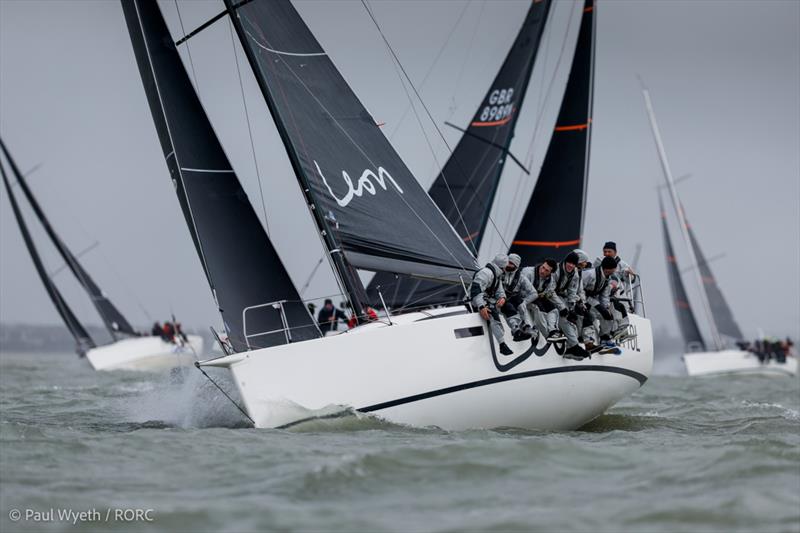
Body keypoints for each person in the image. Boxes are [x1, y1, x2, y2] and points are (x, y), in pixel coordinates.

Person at [550, 251, 590, 360]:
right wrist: (562, 307)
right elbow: (550, 291)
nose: (571, 265)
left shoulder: (575, 274)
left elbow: (572, 292)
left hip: (560, 296)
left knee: (572, 318)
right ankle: (574, 346)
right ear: (565, 261)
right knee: (563, 317)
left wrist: (571, 309)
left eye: (573, 264)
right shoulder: (556, 270)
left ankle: (570, 348)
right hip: (548, 295)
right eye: (569, 262)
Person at [470, 253, 512, 355]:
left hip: (485, 300)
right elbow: (475, 290)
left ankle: (515, 329)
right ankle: (502, 344)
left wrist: (502, 298)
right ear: (502, 266)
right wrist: (481, 306)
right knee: (492, 311)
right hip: (475, 301)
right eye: (505, 267)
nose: (506, 269)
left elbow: (500, 291)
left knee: (508, 306)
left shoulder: (496, 276)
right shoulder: (486, 273)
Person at [594, 242, 634, 340]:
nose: (607, 253)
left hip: (620, 295)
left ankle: (620, 331)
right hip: (602, 293)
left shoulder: (622, 264)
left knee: (620, 306)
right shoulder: (599, 261)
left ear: (615, 252)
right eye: (605, 251)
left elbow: (631, 280)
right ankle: (610, 334)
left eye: (609, 251)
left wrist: (630, 275)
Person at [580, 256, 618, 351]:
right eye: (613, 269)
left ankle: (605, 338)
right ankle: (589, 340)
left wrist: (606, 307)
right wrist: (583, 302)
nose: (614, 271)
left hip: (591, 298)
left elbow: (604, 296)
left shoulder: (607, 278)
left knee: (607, 315)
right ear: (607, 269)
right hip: (582, 297)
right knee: (590, 315)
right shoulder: (589, 274)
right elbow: (579, 287)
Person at [519, 258, 561, 343]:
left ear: (551, 273)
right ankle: (547, 335)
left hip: (536, 297)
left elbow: (548, 292)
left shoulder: (550, 280)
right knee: (539, 308)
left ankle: (553, 331)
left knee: (553, 308)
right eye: (543, 267)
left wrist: (544, 294)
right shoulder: (528, 272)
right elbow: (520, 291)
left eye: (546, 270)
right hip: (524, 298)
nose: (542, 271)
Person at [500, 254, 535, 342]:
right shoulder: (499, 272)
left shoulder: (521, 278)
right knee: (509, 306)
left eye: (511, 263)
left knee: (520, 302)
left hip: (513, 299)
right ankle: (516, 330)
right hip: (499, 299)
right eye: (508, 262)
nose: (508, 264)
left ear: (516, 266)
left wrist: (525, 302)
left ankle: (526, 326)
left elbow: (534, 293)